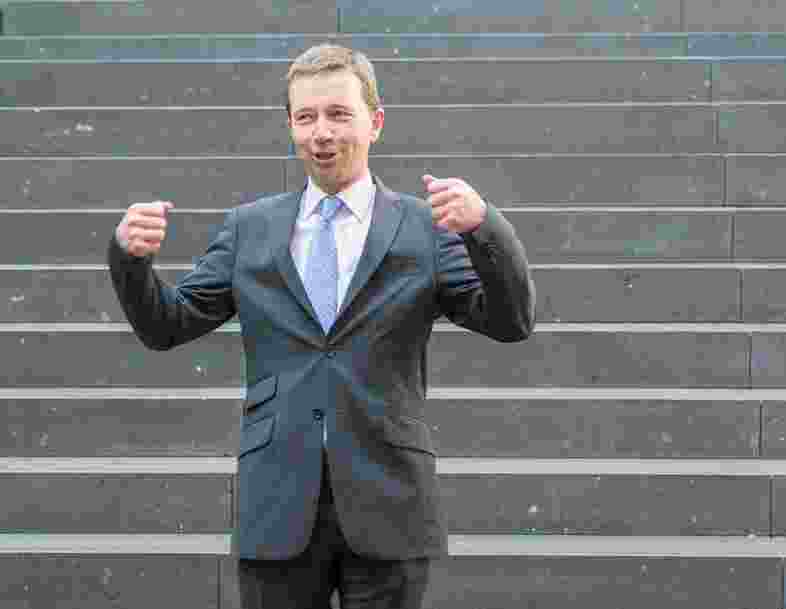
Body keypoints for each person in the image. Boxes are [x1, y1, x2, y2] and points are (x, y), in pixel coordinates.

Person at [107, 43, 535, 608]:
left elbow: (510, 323)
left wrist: (486, 230)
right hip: (277, 501)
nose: (322, 132)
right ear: (290, 126)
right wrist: (129, 261)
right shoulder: (249, 228)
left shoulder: (424, 230)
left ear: (375, 122)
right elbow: (167, 326)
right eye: (306, 117)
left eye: (339, 114)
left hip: (390, 498)